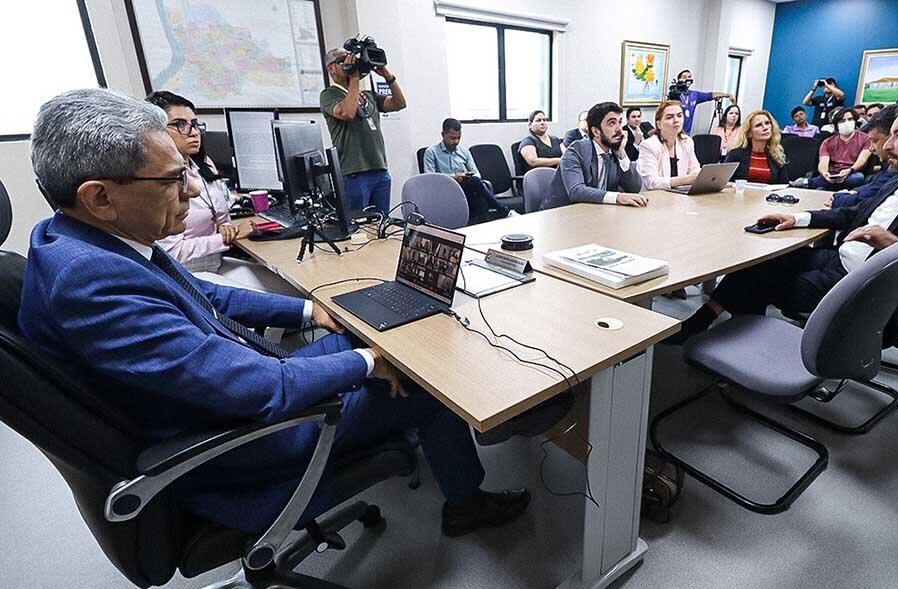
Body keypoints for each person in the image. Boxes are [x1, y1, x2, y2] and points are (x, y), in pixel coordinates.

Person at [22, 88, 530, 538]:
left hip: (230, 392)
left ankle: (406, 424)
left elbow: (207, 296)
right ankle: (465, 502)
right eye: (173, 179)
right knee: (422, 378)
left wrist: (311, 311)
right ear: (101, 197)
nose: (192, 190)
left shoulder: (78, 239)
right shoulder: (90, 283)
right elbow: (264, 389)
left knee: (369, 340)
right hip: (240, 441)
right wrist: (372, 362)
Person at [665, 100, 898, 344]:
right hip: (839, 259)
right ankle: (711, 327)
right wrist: (798, 218)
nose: (887, 145)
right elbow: (854, 214)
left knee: (758, 280)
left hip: (863, 286)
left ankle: (741, 347)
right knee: (759, 259)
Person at [142, 91, 296, 295]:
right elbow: (172, 253)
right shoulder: (155, 181)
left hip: (216, 262)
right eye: (180, 124)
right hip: (186, 275)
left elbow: (221, 215)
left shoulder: (203, 165)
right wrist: (224, 238)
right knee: (279, 304)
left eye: (195, 124)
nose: (194, 132)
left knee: (293, 289)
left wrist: (225, 227)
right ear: (156, 131)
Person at [320, 46, 407, 214]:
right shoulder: (329, 94)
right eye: (343, 60)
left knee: (381, 223)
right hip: (354, 173)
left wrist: (388, 76)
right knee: (358, 225)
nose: (351, 62)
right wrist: (354, 77)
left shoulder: (367, 95)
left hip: (380, 170)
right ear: (331, 68)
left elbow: (399, 103)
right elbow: (347, 112)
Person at [540, 102, 645, 210]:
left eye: (620, 122)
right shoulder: (576, 150)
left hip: (595, 211)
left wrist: (622, 154)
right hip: (561, 213)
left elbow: (634, 188)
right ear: (596, 131)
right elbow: (576, 191)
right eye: (612, 123)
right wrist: (617, 197)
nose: (619, 129)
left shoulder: (615, 151)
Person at [423, 118, 511, 224]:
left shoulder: (464, 151)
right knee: (478, 190)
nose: (456, 141)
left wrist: (466, 176)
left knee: (477, 188)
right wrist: (453, 178)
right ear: (443, 135)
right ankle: (501, 209)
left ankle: (489, 221)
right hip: (444, 191)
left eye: (458, 138)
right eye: (452, 138)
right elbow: (431, 178)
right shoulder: (431, 152)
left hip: (464, 188)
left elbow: (476, 173)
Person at [827, 104, 898, 209]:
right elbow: (877, 185)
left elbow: (876, 194)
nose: (871, 149)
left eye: (874, 141)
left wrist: (839, 198)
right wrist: (855, 191)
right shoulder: (829, 141)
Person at [637, 100, 702, 191]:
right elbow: (652, 182)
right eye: (669, 117)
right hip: (656, 196)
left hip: (682, 195)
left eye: (679, 115)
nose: (676, 120)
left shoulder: (687, 142)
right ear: (659, 124)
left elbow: (695, 171)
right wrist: (686, 180)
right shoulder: (649, 146)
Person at [808, 107, 872, 190]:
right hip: (832, 174)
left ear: (855, 121)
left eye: (850, 119)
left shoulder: (866, 138)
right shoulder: (827, 142)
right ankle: (825, 184)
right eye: (842, 120)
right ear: (837, 124)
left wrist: (849, 170)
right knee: (820, 189)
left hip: (852, 173)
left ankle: (809, 183)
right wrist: (825, 173)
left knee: (858, 178)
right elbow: (823, 162)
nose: (846, 122)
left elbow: (862, 160)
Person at [724, 110, 790, 184]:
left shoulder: (776, 156)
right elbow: (724, 182)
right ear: (749, 133)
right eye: (758, 125)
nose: (765, 127)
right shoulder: (735, 155)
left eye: (767, 123)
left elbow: (784, 184)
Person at [672, 69, 735, 135]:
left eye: (689, 77)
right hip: (674, 132)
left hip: (686, 134)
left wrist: (727, 95)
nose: (688, 79)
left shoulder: (694, 95)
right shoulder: (675, 95)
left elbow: (709, 95)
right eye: (685, 77)